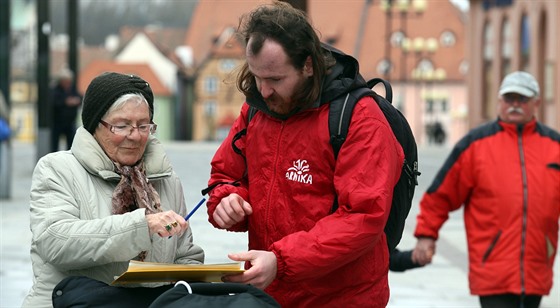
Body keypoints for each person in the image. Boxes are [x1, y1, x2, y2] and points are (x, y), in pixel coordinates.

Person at [205, 2, 403, 307]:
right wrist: (227, 201)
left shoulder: (359, 118)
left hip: (343, 298)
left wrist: (281, 261)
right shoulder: (256, 111)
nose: (264, 90)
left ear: (308, 65)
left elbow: (361, 216)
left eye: (275, 79)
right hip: (270, 294)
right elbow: (225, 176)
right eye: (256, 76)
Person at [23, 72, 204, 307]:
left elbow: (185, 255)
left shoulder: (165, 179)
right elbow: (55, 241)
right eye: (122, 126)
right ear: (94, 125)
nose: (135, 136)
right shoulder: (56, 169)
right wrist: (142, 226)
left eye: (143, 125)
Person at [412, 71, 560, 308]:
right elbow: (440, 195)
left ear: (537, 103)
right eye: (509, 98)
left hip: (537, 267)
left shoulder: (554, 146)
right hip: (492, 268)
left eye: (522, 99)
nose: (515, 105)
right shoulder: (475, 144)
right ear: (499, 101)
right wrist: (426, 236)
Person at [50, 68, 82, 152]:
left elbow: (80, 97)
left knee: (71, 144)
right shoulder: (55, 90)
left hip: (70, 122)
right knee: (55, 145)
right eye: (66, 81)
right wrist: (66, 102)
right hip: (58, 122)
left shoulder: (72, 89)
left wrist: (75, 101)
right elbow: (54, 102)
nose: (68, 83)